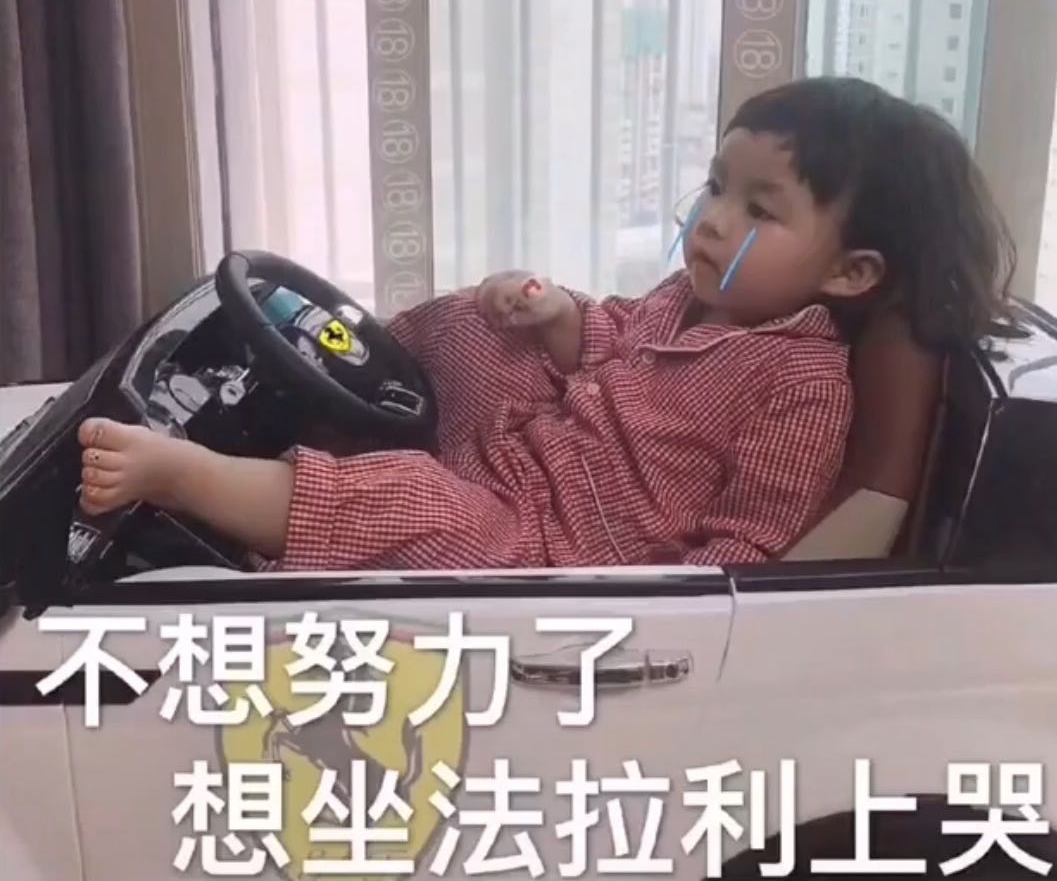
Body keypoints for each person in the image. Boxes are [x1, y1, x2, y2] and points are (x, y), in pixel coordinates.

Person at [75, 77, 1014, 571]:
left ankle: (192, 476)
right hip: (530, 461)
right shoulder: (693, 297)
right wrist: (555, 314)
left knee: (412, 499)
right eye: (715, 187)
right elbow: (611, 337)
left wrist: (669, 628)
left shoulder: (798, 385)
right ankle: (335, 393)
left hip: (570, 555)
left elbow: (750, 546)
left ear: (849, 272)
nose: (713, 220)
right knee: (485, 329)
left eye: (758, 211)